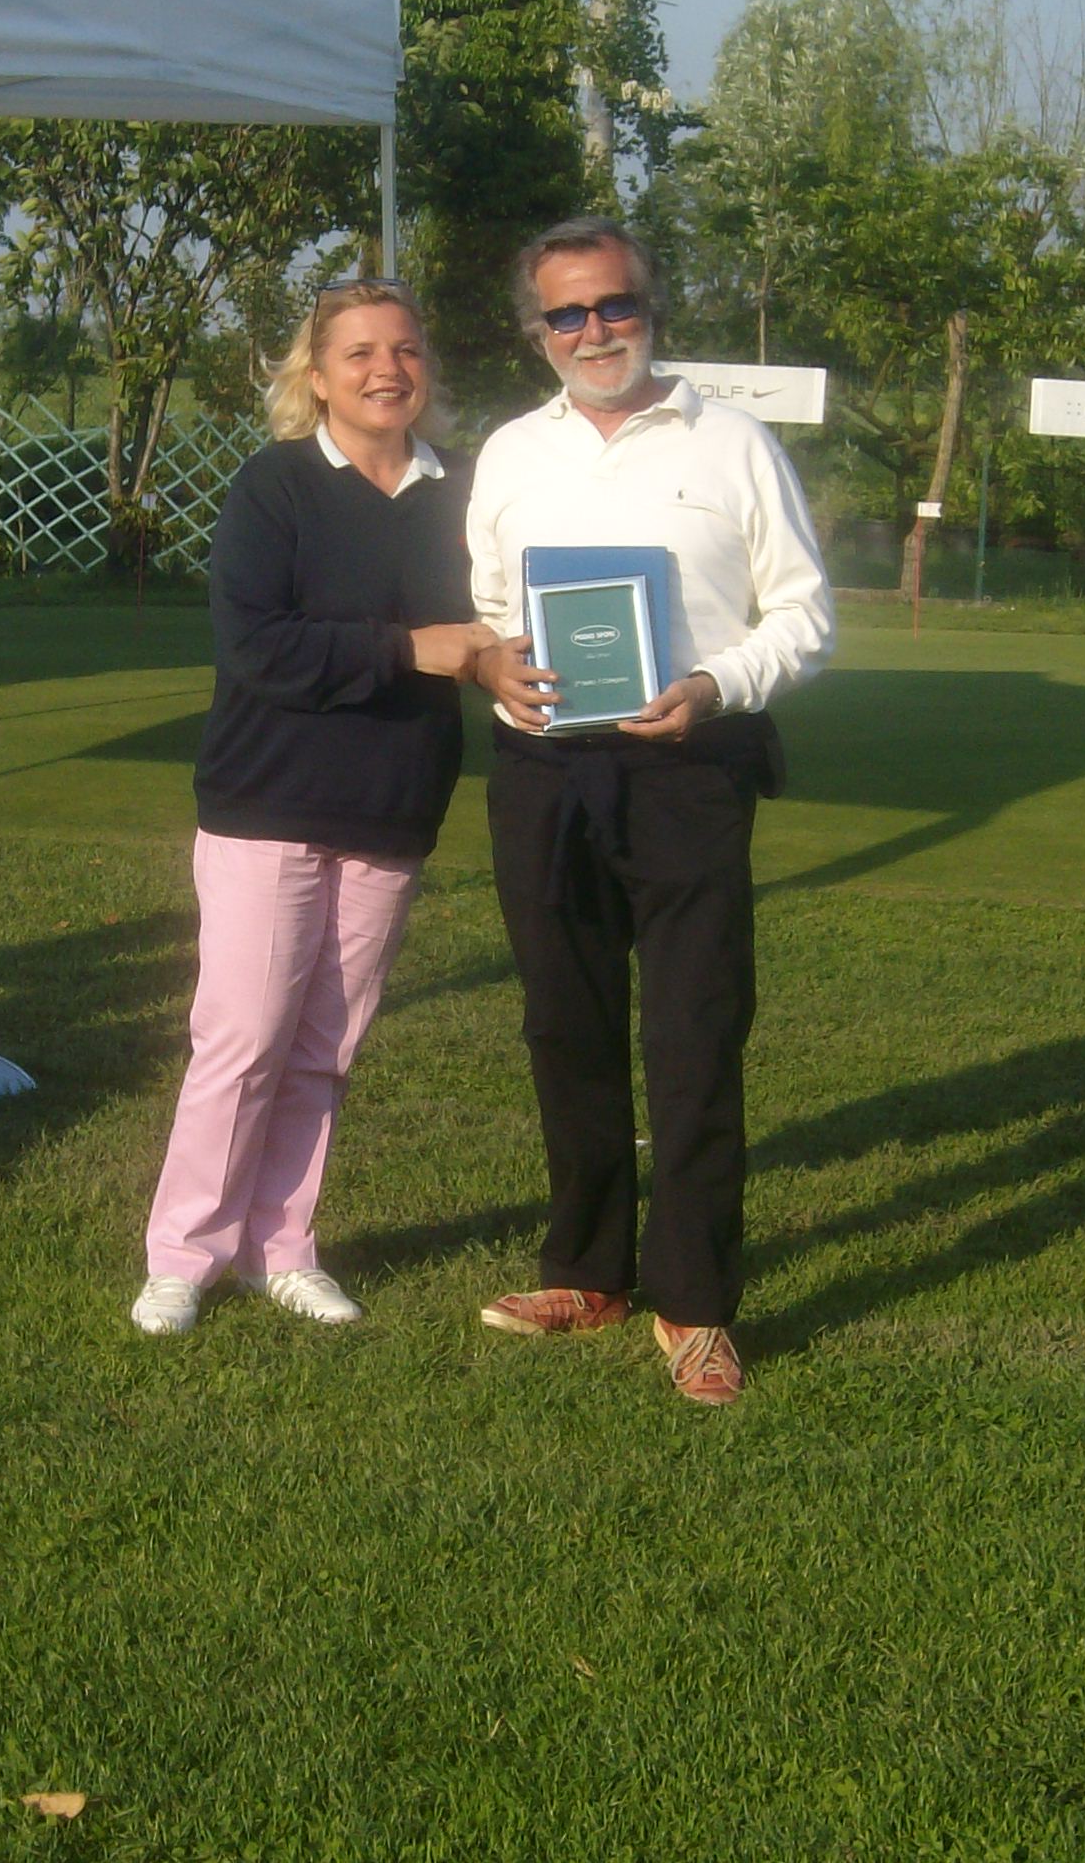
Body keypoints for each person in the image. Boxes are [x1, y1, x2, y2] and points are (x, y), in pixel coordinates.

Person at [465, 217, 836, 1404]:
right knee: (563, 1026)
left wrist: (715, 685)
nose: (594, 330)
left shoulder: (734, 443)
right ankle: (587, 1270)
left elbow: (805, 614)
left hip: (688, 765)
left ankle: (694, 1301)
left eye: (613, 304)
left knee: (693, 1032)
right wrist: (494, 663)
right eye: (567, 313)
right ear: (538, 331)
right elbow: (487, 605)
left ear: (650, 308)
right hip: (542, 771)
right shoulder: (510, 451)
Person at [132, 279, 495, 1335]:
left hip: (392, 806)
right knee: (243, 1039)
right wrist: (411, 649)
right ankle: (184, 1256)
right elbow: (257, 647)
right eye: (360, 353)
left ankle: (280, 1248)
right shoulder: (275, 484)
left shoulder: (468, 492)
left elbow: (503, 621)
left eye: (407, 349)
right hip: (268, 800)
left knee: (324, 1050)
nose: (388, 369)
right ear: (319, 376)